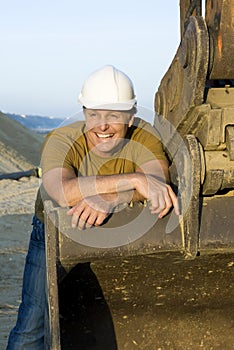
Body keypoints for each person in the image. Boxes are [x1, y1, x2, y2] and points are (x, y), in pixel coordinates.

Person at [7, 65, 179, 349]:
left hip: (118, 227)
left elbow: (157, 183)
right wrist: (134, 180)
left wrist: (112, 198)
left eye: (113, 115)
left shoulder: (144, 136)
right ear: (84, 113)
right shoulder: (62, 140)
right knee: (34, 322)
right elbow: (63, 193)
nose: (102, 125)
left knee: (100, 316)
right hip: (55, 232)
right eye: (94, 114)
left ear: (131, 116)